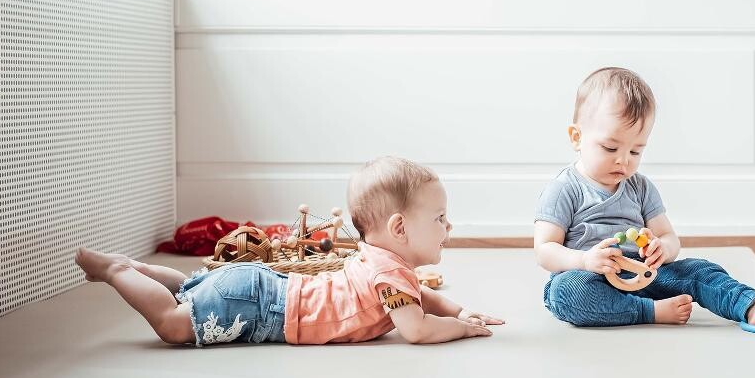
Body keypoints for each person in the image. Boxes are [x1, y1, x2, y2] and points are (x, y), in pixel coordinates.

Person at [76, 156, 503, 346]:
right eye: (440, 218)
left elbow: (419, 299)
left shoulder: (384, 263)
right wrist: (462, 329)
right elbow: (416, 328)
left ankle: (134, 267)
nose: (449, 227)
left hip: (265, 290)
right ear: (399, 228)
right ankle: (118, 271)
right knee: (172, 324)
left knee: (190, 286)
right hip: (267, 307)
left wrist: (459, 310)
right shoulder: (388, 274)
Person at [534, 66, 755, 327]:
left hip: (645, 276)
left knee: (699, 270)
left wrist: (661, 249)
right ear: (576, 137)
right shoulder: (564, 189)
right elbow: (545, 250)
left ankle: (751, 306)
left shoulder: (640, 188)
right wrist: (583, 260)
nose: (623, 162)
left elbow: (669, 237)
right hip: (590, 279)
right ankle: (648, 312)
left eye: (635, 152)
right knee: (564, 293)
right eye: (610, 147)